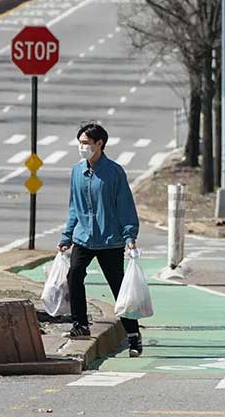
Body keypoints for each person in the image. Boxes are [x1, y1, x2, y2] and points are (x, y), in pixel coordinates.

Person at [58, 122, 143, 357]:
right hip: (83, 238)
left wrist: (129, 235)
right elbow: (74, 206)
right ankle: (80, 325)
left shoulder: (114, 172)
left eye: (86, 143)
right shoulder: (77, 171)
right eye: (80, 143)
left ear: (99, 144)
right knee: (74, 274)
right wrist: (67, 236)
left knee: (119, 288)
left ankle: (133, 335)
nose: (82, 147)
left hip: (109, 240)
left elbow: (125, 205)